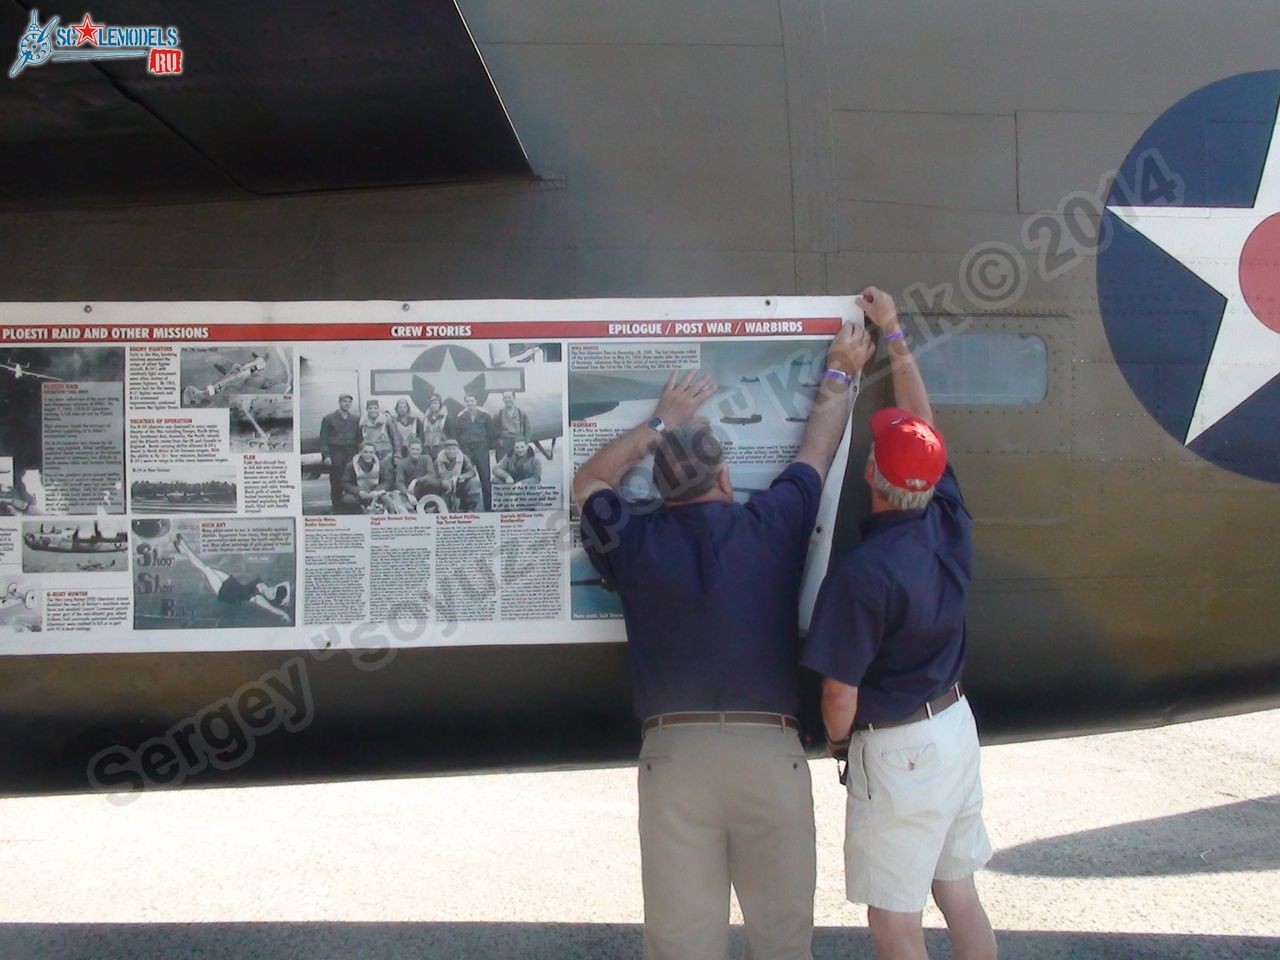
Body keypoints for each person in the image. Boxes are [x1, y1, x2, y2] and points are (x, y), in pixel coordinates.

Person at [574, 319, 875, 960]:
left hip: (674, 756)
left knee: (682, 946)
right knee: (784, 940)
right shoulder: (772, 525)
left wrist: (659, 422)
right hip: (769, 754)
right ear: (727, 480)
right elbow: (816, 451)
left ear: (658, 491)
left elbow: (590, 483)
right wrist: (843, 368)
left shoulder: (635, 542)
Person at [802, 287, 996, 960]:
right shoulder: (947, 517)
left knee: (894, 921)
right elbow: (921, 421)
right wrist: (895, 334)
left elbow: (838, 696)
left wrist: (835, 747)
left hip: (901, 751)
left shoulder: (861, 574)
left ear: (870, 474)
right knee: (959, 893)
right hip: (953, 727)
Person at [171, 532, 292, 625]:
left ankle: (183, 546)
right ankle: (183, 550)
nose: (271, 591)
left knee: (206, 568)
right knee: (207, 567)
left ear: (271, 598)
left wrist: (284, 614)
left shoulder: (260, 599)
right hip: (232, 582)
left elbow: (273, 609)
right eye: (274, 589)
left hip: (227, 594)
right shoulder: (264, 584)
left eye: (272, 594)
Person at [449, 392, 494, 510]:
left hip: (481, 450)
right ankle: (465, 505)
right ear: (465, 403)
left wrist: (486, 447)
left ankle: (488, 506)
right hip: (467, 451)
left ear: (476, 401)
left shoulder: (485, 415)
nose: (470, 403)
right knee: (464, 477)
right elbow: (457, 434)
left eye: (471, 401)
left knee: (485, 478)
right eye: (467, 401)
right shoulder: (460, 417)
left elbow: (491, 433)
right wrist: (462, 450)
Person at [319, 393, 361, 513]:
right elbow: (324, 438)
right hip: (336, 452)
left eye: (349, 402)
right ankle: (337, 507)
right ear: (339, 402)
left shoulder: (355, 419)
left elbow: (359, 438)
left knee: (352, 479)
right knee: (337, 480)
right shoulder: (329, 418)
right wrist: (326, 456)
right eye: (344, 401)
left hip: (351, 452)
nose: (347, 404)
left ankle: (352, 506)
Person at [339, 441, 398, 513]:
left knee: (389, 500)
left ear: (374, 453)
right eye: (365, 452)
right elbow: (345, 483)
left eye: (371, 452)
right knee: (347, 500)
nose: (368, 455)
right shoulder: (351, 465)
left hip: (376, 493)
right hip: (359, 494)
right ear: (360, 452)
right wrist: (358, 491)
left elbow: (387, 481)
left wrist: (376, 491)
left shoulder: (380, 465)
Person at [396, 439, 449, 511]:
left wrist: (416, 480)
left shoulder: (426, 458)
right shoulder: (402, 463)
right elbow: (399, 482)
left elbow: (431, 474)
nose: (415, 451)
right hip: (412, 491)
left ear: (421, 450)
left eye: (417, 449)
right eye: (413, 449)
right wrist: (408, 494)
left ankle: (439, 506)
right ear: (409, 450)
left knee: (442, 484)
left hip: (426, 488)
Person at [435, 437, 482, 512]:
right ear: (445, 450)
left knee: (474, 482)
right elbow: (434, 476)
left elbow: (472, 472)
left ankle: (470, 507)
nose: (451, 451)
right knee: (443, 509)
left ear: (457, 449)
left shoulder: (463, 458)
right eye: (449, 449)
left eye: (453, 449)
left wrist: (460, 477)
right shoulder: (438, 460)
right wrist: (443, 482)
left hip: (459, 484)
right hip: (444, 487)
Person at [494, 390, 531, 459]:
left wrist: (525, 442)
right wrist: (499, 442)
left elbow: (528, 429)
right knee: (503, 465)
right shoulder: (499, 414)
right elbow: (493, 431)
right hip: (504, 443)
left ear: (514, 398)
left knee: (519, 465)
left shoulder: (521, 413)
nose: (507, 400)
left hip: (518, 442)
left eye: (509, 397)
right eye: (505, 398)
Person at [422, 393, 450, 458]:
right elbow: (423, 434)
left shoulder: (446, 418)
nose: (433, 406)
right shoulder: (426, 419)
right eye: (431, 404)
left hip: (441, 447)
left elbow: (451, 434)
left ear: (439, 404)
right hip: (428, 448)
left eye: (435, 403)